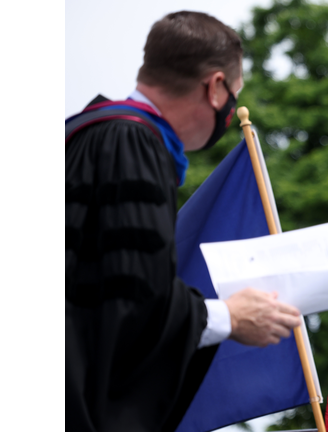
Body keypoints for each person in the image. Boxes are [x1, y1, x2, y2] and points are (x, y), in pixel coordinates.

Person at [65, 11, 302, 432]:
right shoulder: (131, 142)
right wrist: (229, 316)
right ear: (214, 88)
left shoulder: (80, 132)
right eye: (234, 93)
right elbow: (129, 301)